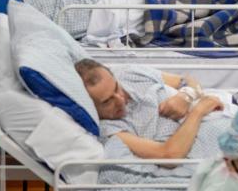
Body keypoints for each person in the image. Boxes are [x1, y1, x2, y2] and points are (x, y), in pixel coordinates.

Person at [75, 58, 228, 162]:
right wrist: (198, 111)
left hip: (224, 112)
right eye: (107, 101)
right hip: (217, 140)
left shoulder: (129, 74)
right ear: (90, 107)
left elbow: (188, 80)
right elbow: (168, 155)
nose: (120, 100)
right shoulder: (110, 130)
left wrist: (186, 95)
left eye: (116, 87)